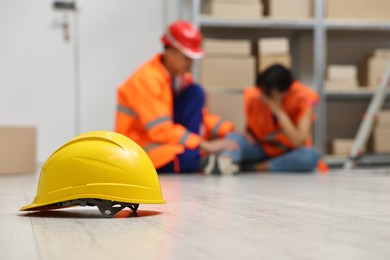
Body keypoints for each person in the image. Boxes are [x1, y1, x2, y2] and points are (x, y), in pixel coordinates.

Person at [115, 20, 237, 173]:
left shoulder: (181, 79)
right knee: (187, 157)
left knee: (195, 92)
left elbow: (202, 118)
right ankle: (200, 157)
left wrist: (228, 131)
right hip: (142, 148)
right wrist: (203, 145)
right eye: (186, 57)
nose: (191, 63)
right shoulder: (146, 80)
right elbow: (160, 130)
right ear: (169, 52)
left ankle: (199, 156)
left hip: (167, 141)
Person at [209, 64, 327, 175]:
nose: (263, 94)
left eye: (268, 92)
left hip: (287, 153)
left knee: (310, 156)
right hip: (261, 148)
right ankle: (226, 163)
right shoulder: (254, 95)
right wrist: (247, 134)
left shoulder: (305, 97)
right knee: (234, 138)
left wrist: (277, 110)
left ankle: (255, 167)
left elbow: (299, 141)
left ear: (282, 91)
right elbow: (248, 127)